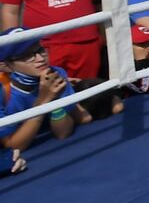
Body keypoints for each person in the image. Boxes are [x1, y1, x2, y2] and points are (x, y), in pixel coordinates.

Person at [1, 29, 90, 176]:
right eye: (28, 56)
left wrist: (54, 100)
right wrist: (43, 101)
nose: (40, 59)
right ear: (5, 66)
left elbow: (63, 134)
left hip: (56, 157)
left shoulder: (56, 73)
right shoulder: (3, 90)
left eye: (40, 50)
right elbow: (13, 145)